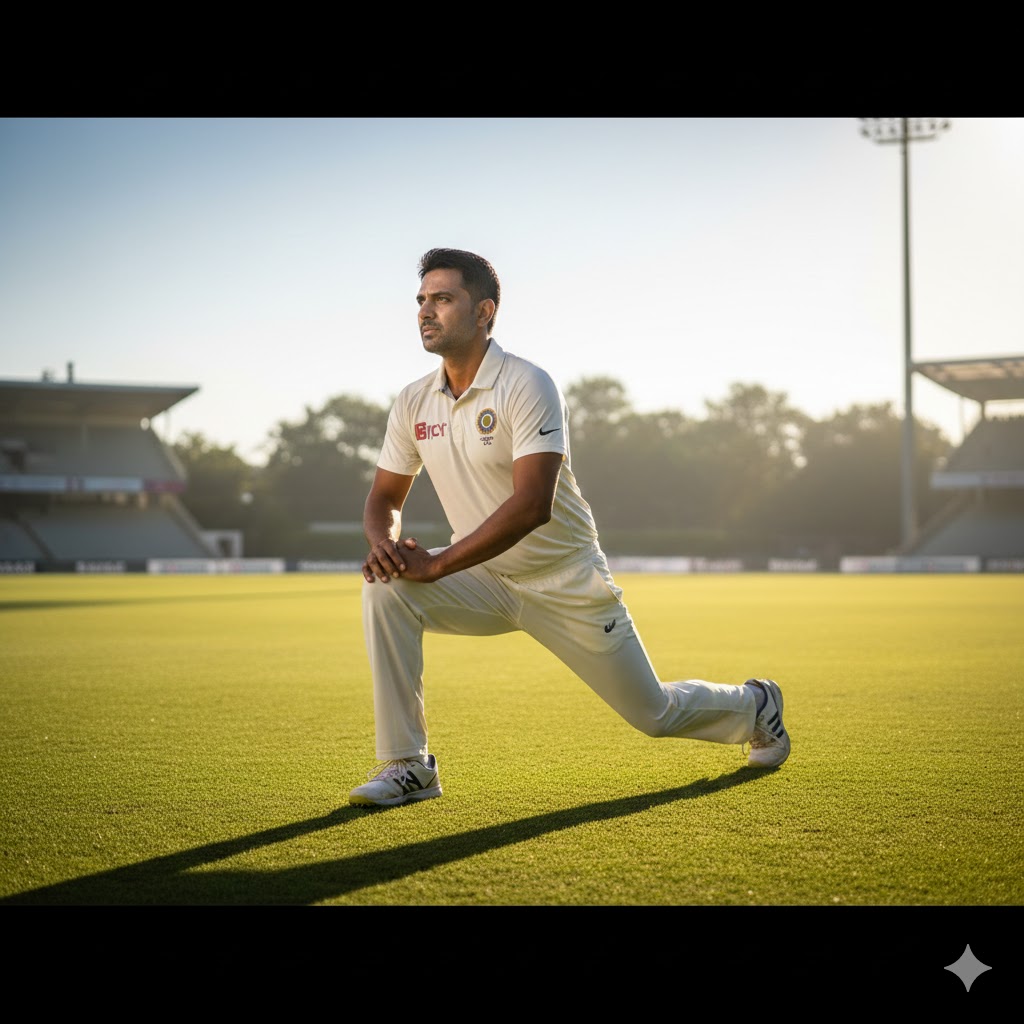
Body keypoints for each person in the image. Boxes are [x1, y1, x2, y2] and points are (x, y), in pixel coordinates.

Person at [349, 247, 790, 807]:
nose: (425, 311)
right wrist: (385, 547)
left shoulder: (527, 383)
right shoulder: (413, 400)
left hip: (565, 578)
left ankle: (756, 705)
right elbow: (385, 497)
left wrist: (436, 563)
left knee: (653, 714)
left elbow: (533, 504)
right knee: (386, 588)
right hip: (484, 577)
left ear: (484, 311)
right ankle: (409, 764)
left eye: (442, 298)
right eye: (421, 300)